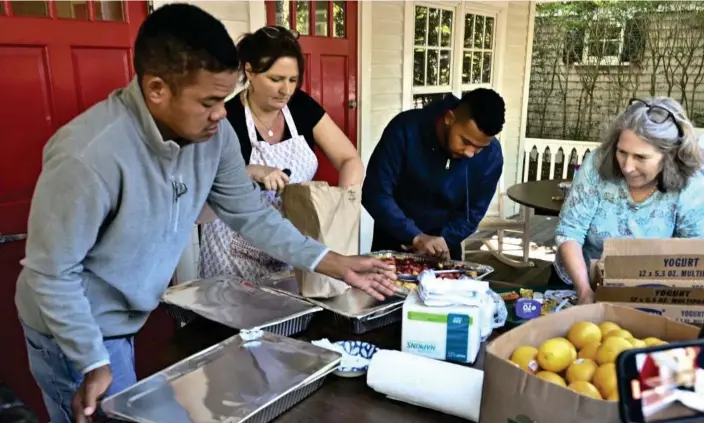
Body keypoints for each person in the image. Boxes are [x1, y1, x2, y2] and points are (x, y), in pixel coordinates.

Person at [14, 5, 396, 423]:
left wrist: (332, 261)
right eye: (210, 102)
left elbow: (251, 213)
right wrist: (90, 359)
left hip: (124, 319)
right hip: (72, 329)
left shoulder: (213, 136)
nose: (221, 114)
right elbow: (51, 275)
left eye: (224, 99)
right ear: (157, 88)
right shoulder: (87, 155)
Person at [198, 26, 364, 282]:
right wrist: (250, 173)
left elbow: (348, 159)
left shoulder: (302, 107)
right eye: (276, 80)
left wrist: (342, 205)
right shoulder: (225, 120)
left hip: (293, 247)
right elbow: (203, 199)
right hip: (233, 253)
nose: (286, 90)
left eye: (293, 80)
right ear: (250, 71)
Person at [553, 97, 704, 304]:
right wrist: (585, 291)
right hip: (580, 282)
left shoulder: (691, 184)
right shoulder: (598, 162)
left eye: (641, 157)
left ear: (670, 157)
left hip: (654, 294)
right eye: (622, 152)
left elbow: (694, 254)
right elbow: (570, 230)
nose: (627, 166)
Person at [362, 89, 506, 261]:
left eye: (479, 148)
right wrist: (414, 236)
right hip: (393, 241)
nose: (470, 153)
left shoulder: (492, 155)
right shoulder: (405, 129)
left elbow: (472, 213)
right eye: (466, 141)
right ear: (449, 119)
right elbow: (375, 192)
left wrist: (443, 240)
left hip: (444, 248)